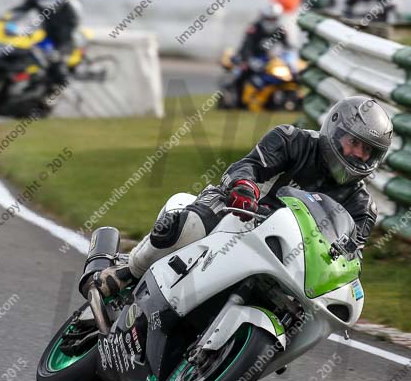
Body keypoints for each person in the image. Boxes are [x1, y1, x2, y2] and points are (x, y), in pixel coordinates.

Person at [86, 96, 393, 298]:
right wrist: (244, 188)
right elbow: (247, 166)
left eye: (368, 151)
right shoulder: (292, 140)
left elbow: (351, 255)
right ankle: (129, 272)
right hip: (240, 216)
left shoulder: (362, 208)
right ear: (336, 131)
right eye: (354, 142)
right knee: (186, 224)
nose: (358, 154)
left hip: (289, 260)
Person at [12, 0, 81, 88]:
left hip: (62, 41)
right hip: (42, 37)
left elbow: (67, 37)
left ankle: (47, 96)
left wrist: (58, 55)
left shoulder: (70, 8)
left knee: (58, 73)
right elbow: (19, 11)